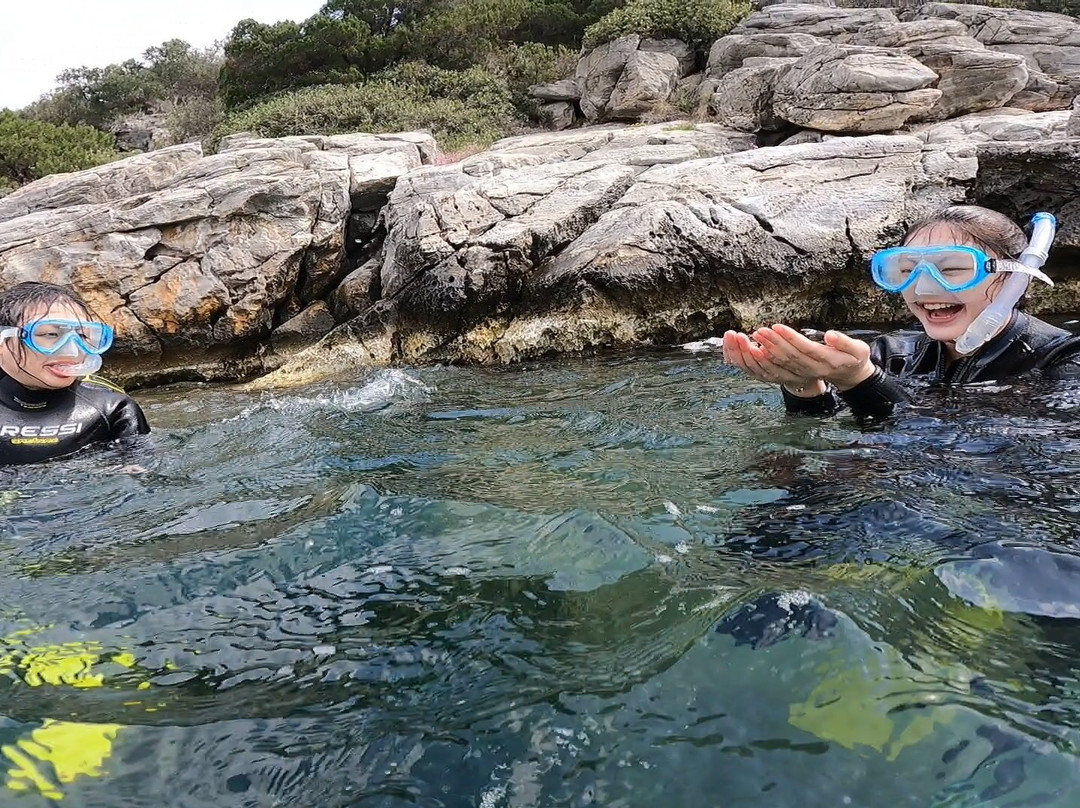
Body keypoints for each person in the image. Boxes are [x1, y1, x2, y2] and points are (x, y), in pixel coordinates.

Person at [723, 206, 1080, 421]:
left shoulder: (1064, 361)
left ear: (1013, 276)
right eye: (907, 271)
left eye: (953, 269)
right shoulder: (892, 354)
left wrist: (859, 380)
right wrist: (802, 383)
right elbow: (820, 433)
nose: (924, 289)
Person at [0, 281, 149, 465]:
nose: (71, 351)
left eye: (82, 336)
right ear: (4, 342)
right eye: (50, 335)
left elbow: (139, 480)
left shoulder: (112, 408)